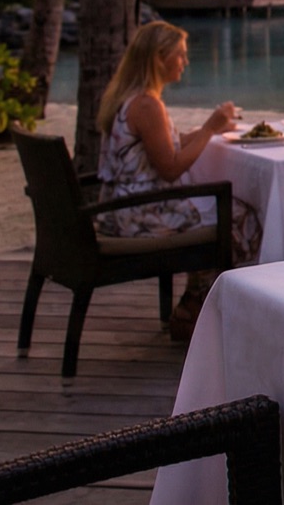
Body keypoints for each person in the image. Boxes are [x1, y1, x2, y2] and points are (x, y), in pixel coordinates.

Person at [95, 21, 262, 339]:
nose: (185, 62)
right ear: (159, 57)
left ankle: (194, 305)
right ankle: (196, 307)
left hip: (120, 207)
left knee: (226, 213)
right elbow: (170, 168)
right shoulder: (147, 105)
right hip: (140, 213)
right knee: (241, 217)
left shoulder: (131, 98)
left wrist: (204, 131)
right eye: (180, 55)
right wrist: (210, 129)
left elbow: (160, 147)